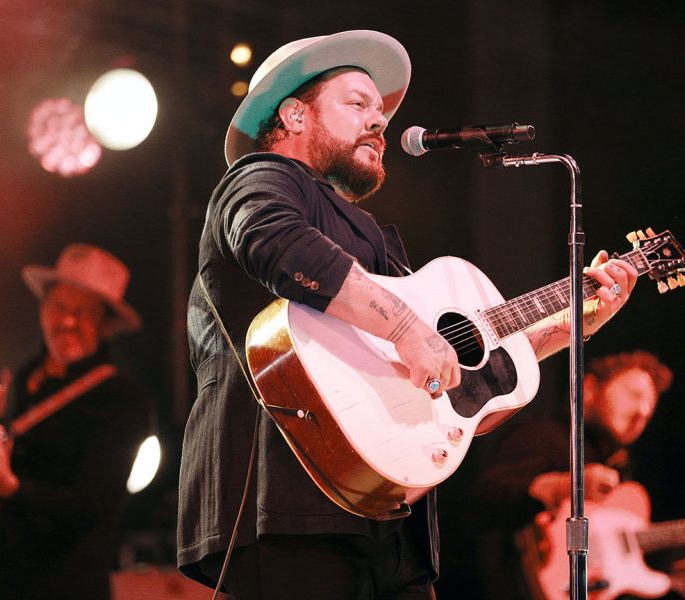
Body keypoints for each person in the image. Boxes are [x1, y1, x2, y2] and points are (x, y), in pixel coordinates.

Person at [177, 30, 638, 599]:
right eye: (357, 103)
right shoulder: (261, 178)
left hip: (388, 515)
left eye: (381, 112)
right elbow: (275, 242)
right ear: (294, 116)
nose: (380, 122)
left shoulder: (371, 235)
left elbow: (456, 362)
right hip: (283, 495)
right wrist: (404, 326)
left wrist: (572, 324)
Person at [0, 243, 152, 599]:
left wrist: (10, 488)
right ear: (42, 311)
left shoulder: (121, 400)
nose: (68, 321)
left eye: (84, 312)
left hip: (65, 587)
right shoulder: (23, 379)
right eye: (60, 307)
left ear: (105, 326)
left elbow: (91, 508)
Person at [472, 351, 685, 600]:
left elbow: (640, 578)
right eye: (634, 394)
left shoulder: (626, 472)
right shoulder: (545, 435)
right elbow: (480, 503)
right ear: (589, 389)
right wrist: (563, 487)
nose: (643, 411)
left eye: (651, 405)